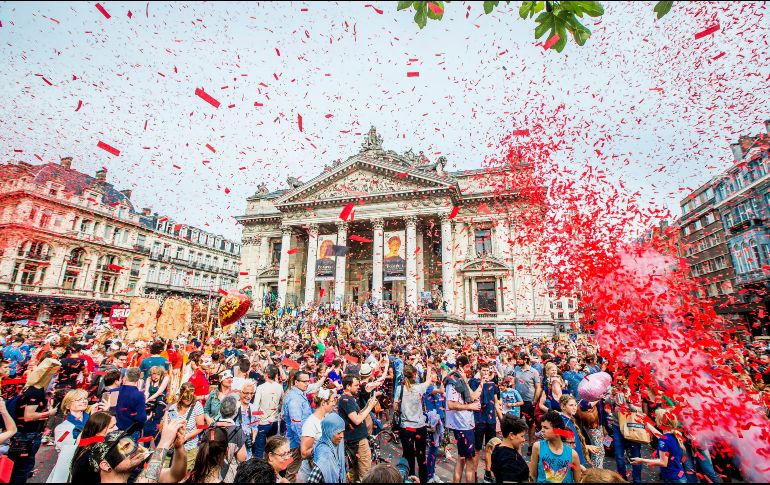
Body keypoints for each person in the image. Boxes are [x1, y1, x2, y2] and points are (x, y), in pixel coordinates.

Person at [83, 418, 187, 483]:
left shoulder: (134, 477)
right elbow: (148, 479)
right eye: (126, 447)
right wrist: (164, 442)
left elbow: (175, 475)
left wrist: (178, 447)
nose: (136, 449)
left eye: (132, 443)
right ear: (106, 465)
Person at [9, 357, 60, 483]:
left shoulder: (30, 388)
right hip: (27, 435)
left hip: (23, 433)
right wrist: (49, 412)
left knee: (20, 466)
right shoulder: (35, 392)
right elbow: (29, 415)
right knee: (22, 468)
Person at [444, 355, 482, 483]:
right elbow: (450, 404)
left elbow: (471, 396)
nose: (469, 368)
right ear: (460, 366)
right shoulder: (452, 381)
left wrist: (479, 383)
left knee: (461, 458)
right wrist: (470, 406)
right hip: (461, 425)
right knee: (469, 461)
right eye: (467, 366)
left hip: (466, 424)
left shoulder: (462, 379)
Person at [394, 363, 431, 485]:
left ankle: (409, 480)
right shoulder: (419, 388)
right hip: (419, 427)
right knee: (422, 459)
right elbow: (429, 380)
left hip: (406, 428)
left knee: (409, 459)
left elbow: (395, 407)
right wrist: (429, 367)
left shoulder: (399, 389)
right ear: (414, 375)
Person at [338, 374, 379, 482]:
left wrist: (367, 405)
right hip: (358, 441)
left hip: (355, 439)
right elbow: (356, 420)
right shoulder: (346, 399)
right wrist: (370, 407)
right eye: (356, 385)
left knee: (355, 472)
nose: (358, 387)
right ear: (348, 386)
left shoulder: (349, 398)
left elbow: (358, 414)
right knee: (365, 473)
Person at [46, 389, 92, 483]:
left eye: (85, 398)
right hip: (73, 468)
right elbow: (70, 448)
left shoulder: (92, 419)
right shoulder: (62, 428)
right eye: (78, 399)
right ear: (67, 405)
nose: (83, 401)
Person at [630, 408, 687, 483]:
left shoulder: (663, 440)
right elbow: (659, 435)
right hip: (680, 477)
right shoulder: (674, 434)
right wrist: (646, 422)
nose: (655, 420)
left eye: (656, 418)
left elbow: (663, 462)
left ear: (660, 422)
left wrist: (642, 460)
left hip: (672, 479)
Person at [530, 410, 582, 483]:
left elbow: (577, 480)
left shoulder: (573, 454)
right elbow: (533, 474)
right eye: (542, 427)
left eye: (546, 428)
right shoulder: (538, 447)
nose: (542, 430)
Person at [298, 387, 338, 482]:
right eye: (332, 400)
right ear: (323, 402)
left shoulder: (326, 418)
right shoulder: (311, 423)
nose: (334, 403)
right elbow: (304, 453)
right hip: (310, 474)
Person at [165, 381, 207, 470]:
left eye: (190, 396)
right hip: (173, 448)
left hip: (189, 447)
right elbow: (170, 426)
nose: (188, 399)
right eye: (185, 397)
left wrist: (186, 437)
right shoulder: (173, 408)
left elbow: (201, 427)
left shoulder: (197, 406)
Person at [68, 411, 119, 482]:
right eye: (112, 427)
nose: (116, 428)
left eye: (115, 425)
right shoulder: (92, 455)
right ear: (98, 432)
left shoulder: (93, 446)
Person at [282, 370, 313, 481]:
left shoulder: (299, 394)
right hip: (296, 443)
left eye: (308, 381)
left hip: (298, 441)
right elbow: (296, 424)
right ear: (296, 382)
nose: (307, 384)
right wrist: (304, 443)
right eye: (304, 381)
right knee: (292, 472)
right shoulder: (294, 398)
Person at [307, 413, 347, 483]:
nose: (342, 436)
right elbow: (312, 480)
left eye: (343, 432)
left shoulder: (335, 445)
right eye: (338, 432)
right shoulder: (325, 453)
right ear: (329, 432)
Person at [253, 364, 283, 458]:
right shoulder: (279, 387)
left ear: (266, 375)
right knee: (272, 450)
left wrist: (255, 420)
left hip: (263, 422)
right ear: (275, 375)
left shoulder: (261, 388)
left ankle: (259, 471)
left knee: (259, 450)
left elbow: (255, 407)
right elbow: (282, 402)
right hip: (274, 422)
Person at [514, 352, 541, 452]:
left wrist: (534, 401)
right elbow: (513, 382)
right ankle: (517, 445)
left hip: (529, 401)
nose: (518, 361)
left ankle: (530, 445)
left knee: (530, 424)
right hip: (517, 401)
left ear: (525, 360)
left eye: (519, 359)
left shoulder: (534, 372)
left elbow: (538, 387)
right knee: (516, 423)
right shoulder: (516, 369)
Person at [491, 414, 529, 483]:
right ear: (511, 435)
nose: (524, 439)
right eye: (522, 436)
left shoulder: (498, 449)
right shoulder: (509, 461)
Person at [115, 367, 147, 437]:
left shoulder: (113, 391)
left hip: (113, 429)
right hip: (130, 431)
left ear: (125, 377)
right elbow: (141, 417)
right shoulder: (139, 395)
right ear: (138, 379)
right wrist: (148, 417)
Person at [144, 365, 169, 441]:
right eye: (153, 374)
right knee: (147, 425)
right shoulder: (148, 379)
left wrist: (147, 400)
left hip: (159, 403)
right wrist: (145, 400)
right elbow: (147, 392)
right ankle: (146, 445)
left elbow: (159, 392)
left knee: (156, 426)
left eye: (158, 374)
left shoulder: (165, 378)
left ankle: (157, 443)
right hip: (150, 402)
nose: (155, 376)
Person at [235, 381, 259, 459]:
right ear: (240, 392)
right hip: (234, 445)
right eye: (246, 393)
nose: (249, 396)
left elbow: (255, 426)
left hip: (247, 448)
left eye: (252, 393)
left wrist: (253, 437)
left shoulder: (254, 408)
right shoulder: (233, 407)